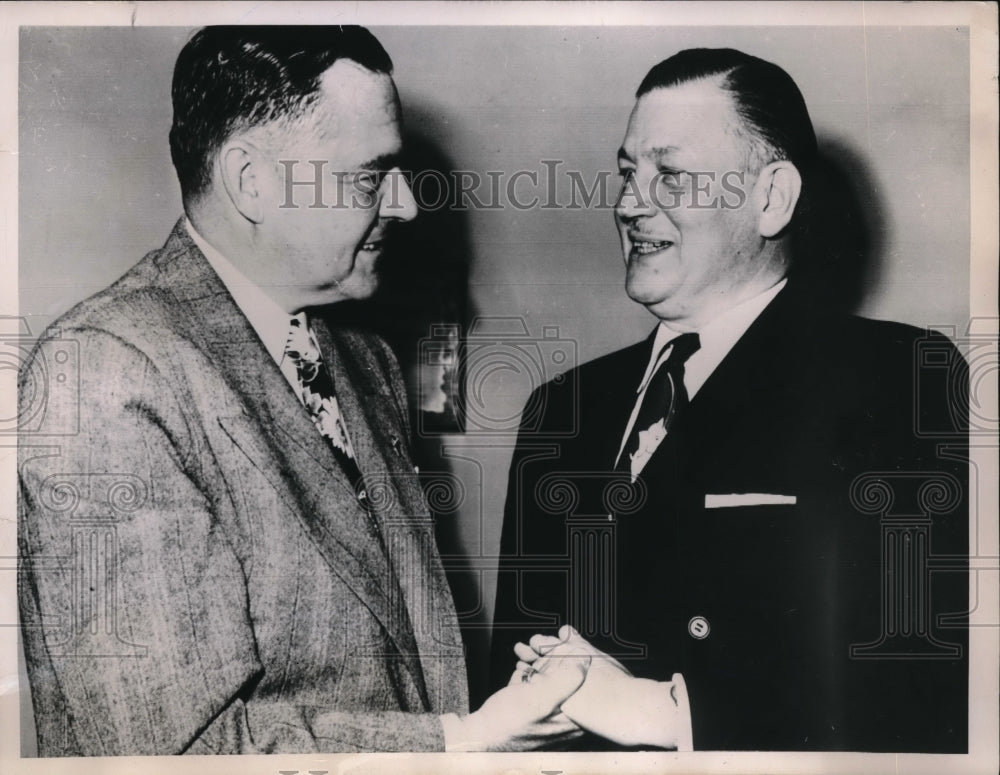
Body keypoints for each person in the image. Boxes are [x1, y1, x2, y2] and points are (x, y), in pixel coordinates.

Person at [17, 25, 589, 756]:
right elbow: (173, 751)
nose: (407, 204)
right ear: (251, 180)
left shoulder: (363, 357)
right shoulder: (103, 373)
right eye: (368, 175)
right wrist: (462, 741)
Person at [490, 48, 969, 752]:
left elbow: (922, 686)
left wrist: (662, 709)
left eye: (670, 176)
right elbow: (509, 683)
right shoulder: (561, 408)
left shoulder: (897, 379)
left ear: (771, 198)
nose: (629, 204)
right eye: (628, 172)